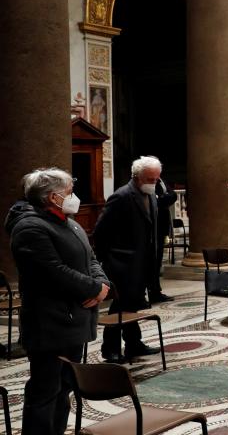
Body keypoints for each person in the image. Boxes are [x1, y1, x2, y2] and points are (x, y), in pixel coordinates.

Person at [7, 168, 110, 435]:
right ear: (54, 197)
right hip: (49, 323)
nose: (73, 196)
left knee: (64, 388)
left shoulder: (69, 222)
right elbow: (52, 271)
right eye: (69, 192)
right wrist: (93, 287)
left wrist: (103, 285)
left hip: (72, 320)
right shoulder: (30, 227)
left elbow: (91, 258)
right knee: (45, 391)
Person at [93, 155, 164, 362]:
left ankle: (134, 344)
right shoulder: (121, 196)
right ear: (137, 176)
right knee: (119, 307)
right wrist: (110, 259)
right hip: (122, 264)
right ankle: (110, 349)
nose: (154, 183)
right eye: (151, 179)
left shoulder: (149, 194)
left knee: (132, 305)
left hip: (142, 262)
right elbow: (100, 231)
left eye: (157, 179)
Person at [149, 178, 177, 303]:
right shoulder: (147, 183)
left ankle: (156, 291)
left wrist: (162, 198)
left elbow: (173, 195)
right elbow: (155, 201)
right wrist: (163, 199)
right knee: (150, 263)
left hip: (161, 228)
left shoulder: (161, 181)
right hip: (151, 228)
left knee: (157, 261)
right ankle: (150, 291)